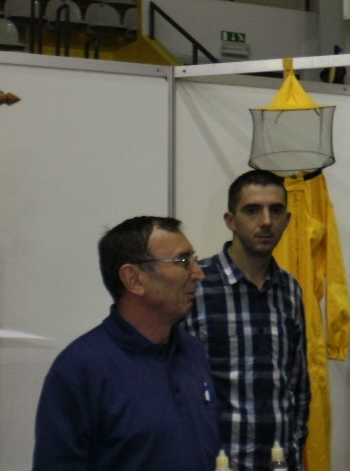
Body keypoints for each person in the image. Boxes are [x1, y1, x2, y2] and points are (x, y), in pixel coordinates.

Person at [32, 215, 219, 471]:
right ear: (134, 279)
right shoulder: (78, 370)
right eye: (183, 261)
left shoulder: (192, 350)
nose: (198, 274)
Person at [185, 169, 310, 471]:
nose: (266, 221)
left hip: (281, 461)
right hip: (217, 462)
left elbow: (298, 383)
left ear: (287, 220)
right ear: (231, 220)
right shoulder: (195, 284)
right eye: (252, 210)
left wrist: (294, 444)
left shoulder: (290, 288)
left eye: (276, 211)